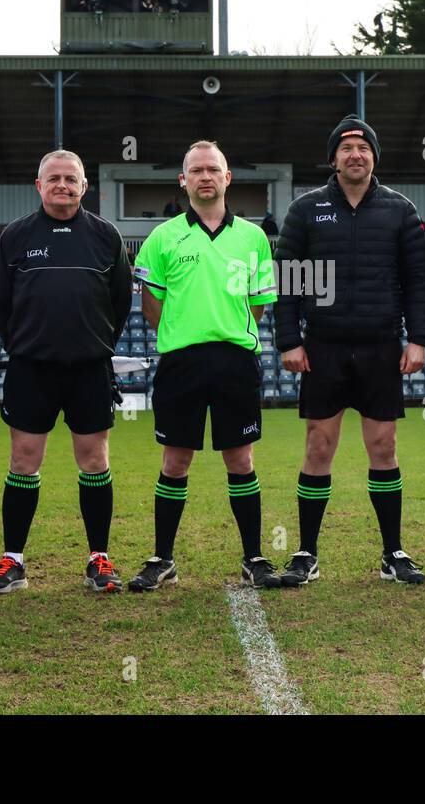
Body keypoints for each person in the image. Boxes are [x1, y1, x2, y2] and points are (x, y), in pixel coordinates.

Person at [274, 115, 425, 586]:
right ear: (333, 158)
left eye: (363, 147)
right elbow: (287, 283)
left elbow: (416, 281)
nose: (355, 154)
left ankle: (392, 553)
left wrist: (418, 338)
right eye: (346, 148)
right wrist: (290, 340)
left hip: (381, 346)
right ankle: (306, 553)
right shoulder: (307, 210)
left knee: (383, 446)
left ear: (374, 157)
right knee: (318, 446)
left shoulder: (399, 210)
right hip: (323, 347)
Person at [129, 140, 282, 591]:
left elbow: (258, 307)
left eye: (213, 169)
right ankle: (163, 557)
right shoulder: (163, 237)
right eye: (196, 170)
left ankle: (253, 555)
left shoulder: (253, 238)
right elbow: (151, 306)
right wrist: (184, 334)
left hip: (235, 360)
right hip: (181, 363)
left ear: (227, 178)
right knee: (176, 460)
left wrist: (225, 332)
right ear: (184, 180)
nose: (205, 176)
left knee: (240, 458)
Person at [0, 150, 133, 595]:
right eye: (54, 179)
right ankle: (14, 560)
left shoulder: (106, 236)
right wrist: (25, 345)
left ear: (84, 186)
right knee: (23, 461)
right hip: (31, 368)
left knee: (95, 460)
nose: (62, 185)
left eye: (71, 179)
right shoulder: (16, 236)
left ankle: (98, 558)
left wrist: (94, 344)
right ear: (39, 185)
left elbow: (120, 303)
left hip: (89, 368)